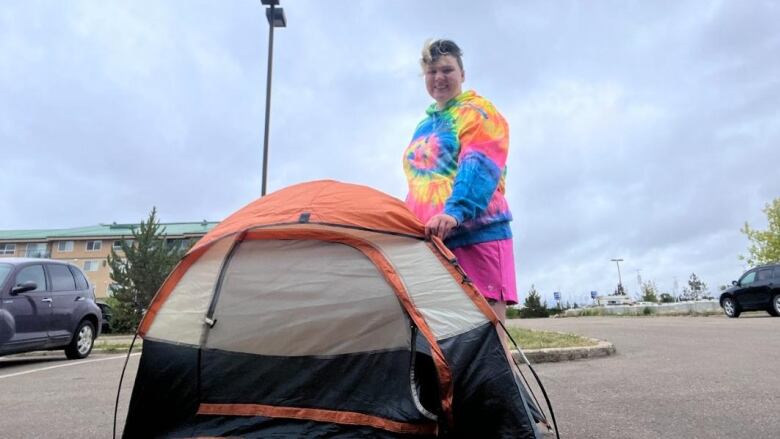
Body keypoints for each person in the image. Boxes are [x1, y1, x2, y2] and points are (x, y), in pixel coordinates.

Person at [403, 39, 517, 323]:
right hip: (434, 244)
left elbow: (478, 164)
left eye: (447, 70)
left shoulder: (478, 111)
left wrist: (455, 212)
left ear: (462, 74)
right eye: (431, 72)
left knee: (487, 345)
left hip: (478, 237)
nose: (439, 77)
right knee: (447, 344)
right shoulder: (424, 125)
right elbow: (419, 185)